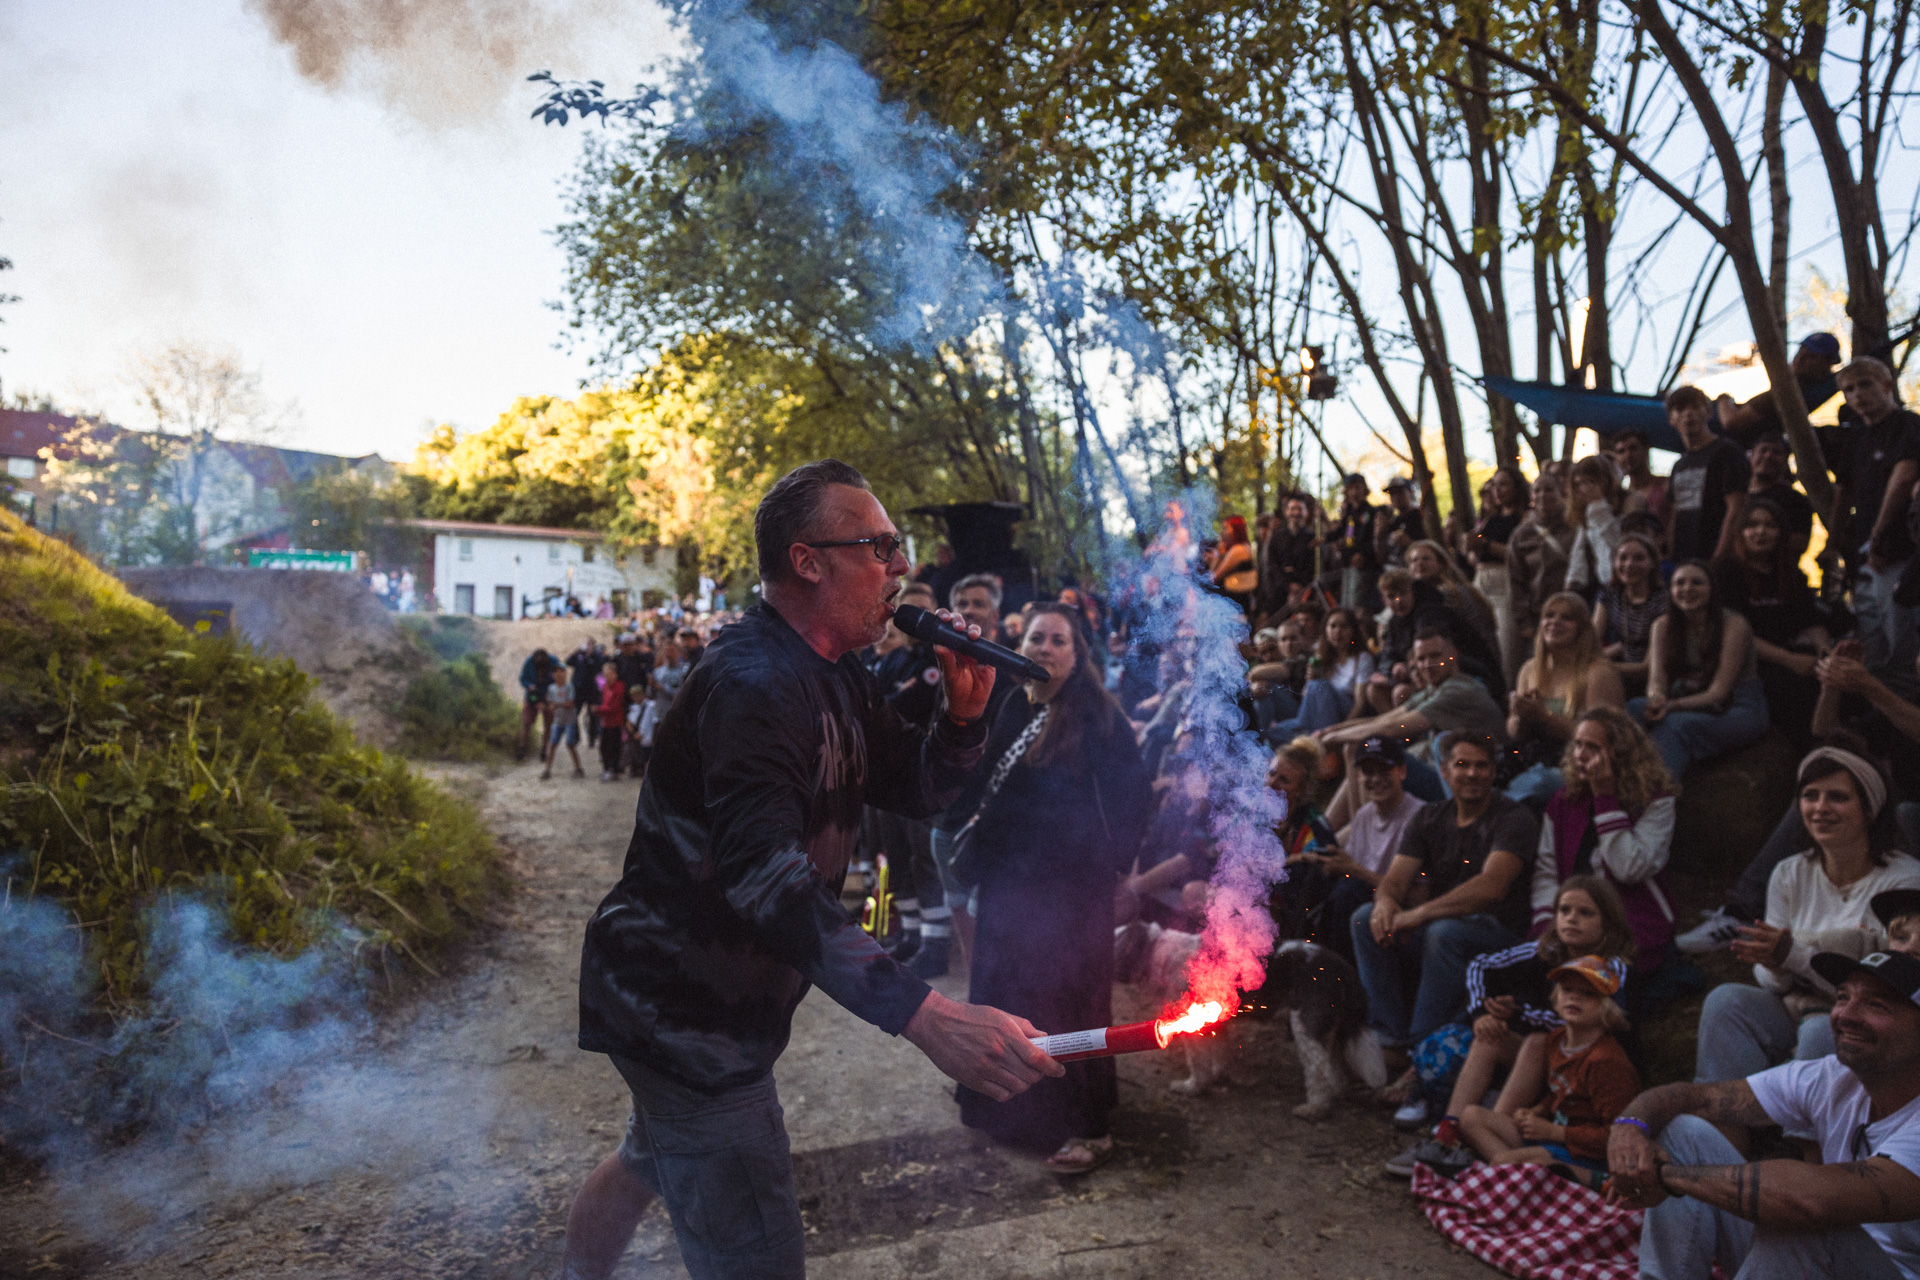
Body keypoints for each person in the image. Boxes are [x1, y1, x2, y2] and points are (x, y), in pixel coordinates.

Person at [564, 460, 1059, 1280]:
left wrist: (963, 717)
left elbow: (920, 791)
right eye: (881, 547)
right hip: (682, 1012)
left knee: (651, 1158)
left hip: (699, 1002)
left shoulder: (838, 673)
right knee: (757, 1252)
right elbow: (768, 880)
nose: (902, 569)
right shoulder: (754, 683)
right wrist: (926, 1015)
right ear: (808, 561)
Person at [952, 603, 1150, 1173]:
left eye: (1057, 640)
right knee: (1005, 995)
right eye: (1036, 637)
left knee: (1070, 1006)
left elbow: (1133, 798)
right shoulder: (1013, 704)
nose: (1043, 648)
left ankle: (1089, 1126)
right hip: (1009, 888)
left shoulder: (1098, 716)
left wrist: (1111, 868)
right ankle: (1010, 1110)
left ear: (1076, 654)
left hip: (1070, 896)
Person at [1607, 948, 1920, 1279]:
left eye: (1876, 1005)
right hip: (1804, 1264)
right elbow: (1695, 1098)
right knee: (1685, 1133)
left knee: (1799, 1224)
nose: (1846, 1014)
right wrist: (1628, 1126)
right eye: (1842, 997)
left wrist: (1666, 1176)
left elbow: (1809, 1202)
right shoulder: (1831, 1077)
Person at [1694, 748, 1920, 1090]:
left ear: (1870, 809)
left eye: (1838, 797)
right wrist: (1776, 965)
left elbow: (1894, 985)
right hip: (1796, 1004)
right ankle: (1727, 1124)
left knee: (1820, 1029)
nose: (1820, 808)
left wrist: (1794, 954)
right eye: (1810, 796)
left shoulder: (1903, 881)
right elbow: (1771, 979)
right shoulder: (1789, 872)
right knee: (1726, 1001)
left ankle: (1806, 1138)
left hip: (1870, 1020)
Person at [1387, 879, 1635, 1170]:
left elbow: (1587, 1021)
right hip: (1550, 1060)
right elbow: (1480, 965)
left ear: (1608, 922)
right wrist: (1483, 1012)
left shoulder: (1612, 967)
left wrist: (1517, 1012)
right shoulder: (1547, 950)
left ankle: (1483, 1143)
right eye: (1564, 910)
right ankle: (1449, 1136)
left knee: (1536, 1040)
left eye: (1585, 913)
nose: (1572, 919)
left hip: (1586, 1067)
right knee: (1491, 1035)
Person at [1350, 732, 1541, 1055]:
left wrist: (1418, 914)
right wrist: (1385, 903)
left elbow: (1492, 885)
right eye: (1462, 764)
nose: (1472, 773)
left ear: (1494, 772)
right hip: (1443, 928)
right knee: (1364, 918)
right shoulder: (1430, 817)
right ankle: (1388, 1039)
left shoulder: (1513, 818)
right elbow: (1396, 879)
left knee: (1444, 933)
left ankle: (1422, 1053)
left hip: (1501, 936)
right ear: (1444, 771)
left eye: (1482, 766)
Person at [1455, 956, 1640, 1184]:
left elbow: (1618, 1135)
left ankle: (1513, 1174)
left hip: (1588, 1156)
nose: (1574, 997)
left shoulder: (1606, 1061)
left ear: (1608, 1008)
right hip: (1554, 1139)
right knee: (1472, 1116)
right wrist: (1537, 1111)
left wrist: (1553, 1132)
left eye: (1589, 994)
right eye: (1567, 990)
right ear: (1555, 999)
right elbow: (1560, 1091)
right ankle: (1519, 1175)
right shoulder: (1557, 1040)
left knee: (1504, 1162)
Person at [1531, 708, 1680, 986]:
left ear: (1618, 752)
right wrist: (1546, 923)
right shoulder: (1563, 800)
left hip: (1631, 922)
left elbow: (1629, 868)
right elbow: (1547, 870)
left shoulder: (1655, 800)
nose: (1580, 755)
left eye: (1592, 747)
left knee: (1594, 982)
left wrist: (1605, 797)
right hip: (1571, 920)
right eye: (1577, 744)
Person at [925, 572, 1018, 980]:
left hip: (991, 818)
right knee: (957, 900)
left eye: (978, 603)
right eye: (962, 603)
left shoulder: (1010, 674)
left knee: (990, 908)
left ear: (995, 615)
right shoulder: (946, 667)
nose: (968, 610)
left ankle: (998, 982)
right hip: (948, 816)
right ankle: (976, 981)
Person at [1322, 628, 1505, 821]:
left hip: (1472, 783)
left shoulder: (1459, 690)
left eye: (1435, 656)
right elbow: (1385, 719)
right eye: (1421, 659)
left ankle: (1363, 836)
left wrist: (1332, 738)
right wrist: (1329, 731)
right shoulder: (1436, 688)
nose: (1428, 665)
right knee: (1356, 747)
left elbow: (1396, 728)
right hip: (1445, 774)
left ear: (1453, 654)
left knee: (1367, 749)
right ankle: (1330, 833)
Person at [1629, 560, 1767, 778]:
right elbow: (1657, 678)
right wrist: (1656, 699)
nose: (1687, 589)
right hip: (1684, 696)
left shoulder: (1733, 625)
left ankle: (1658, 794)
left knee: (1675, 726)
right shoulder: (1662, 626)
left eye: (1697, 583)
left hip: (1735, 706)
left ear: (1712, 589)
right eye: (1679, 583)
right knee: (1633, 709)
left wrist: (1672, 706)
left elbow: (1718, 692)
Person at [1829, 357, 1920, 690]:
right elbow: (1843, 491)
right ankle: (1878, 717)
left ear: (1886, 385)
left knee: (1903, 641)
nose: (1857, 395)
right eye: (1848, 390)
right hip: (1862, 554)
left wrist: (1880, 536)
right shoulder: (1855, 438)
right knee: (1872, 639)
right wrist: (1831, 544)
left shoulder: (1907, 425)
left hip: (1899, 551)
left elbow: (1904, 474)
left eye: (1865, 384)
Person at [1713, 497, 1834, 739]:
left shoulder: (1793, 575)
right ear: (1741, 532)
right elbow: (1735, 635)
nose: (1761, 532)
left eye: (1770, 525)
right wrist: (1791, 660)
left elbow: (1810, 621)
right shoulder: (1725, 573)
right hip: (1748, 659)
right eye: (1752, 525)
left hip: (1794, 651)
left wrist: (1826, 654)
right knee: (1792, 689)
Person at [1310, 736, 1426, 966]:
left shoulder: (1420, 817)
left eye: (1384, 770)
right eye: (1368, 771)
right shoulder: (1365, 815)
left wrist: (1353, 870)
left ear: (1402, 772)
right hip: (1362, 903)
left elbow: (1416, 896)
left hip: (1399, 912)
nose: (1376, 779)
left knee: (1349, 893)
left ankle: (1339, 974)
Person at [1504, 593, 1626, 804]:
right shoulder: (1529, 669)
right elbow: (1515, 734)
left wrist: (1544, 717)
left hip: (1577, 766)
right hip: (1531, 756)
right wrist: (1518, 715)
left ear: (1582, 628)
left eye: (1567, 617)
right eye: (1549, 616)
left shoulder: (1598, 673)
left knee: (1538, 782)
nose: (1555, 622)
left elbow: (1600, 742)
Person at [1666, 384, 1751, 564]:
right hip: (1684, 560)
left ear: (1708, 412)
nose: (1688, 413)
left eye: (1695, 407)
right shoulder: (1679, 465)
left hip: (1717, 560)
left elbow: (1736, 506)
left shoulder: (1727, 451)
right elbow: (1675, 512)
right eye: (1680, 409)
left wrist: (1720, 555)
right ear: (1671, 419)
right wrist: (1671, 553)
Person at [1715, 331, 1844, 448]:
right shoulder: (1812, 387)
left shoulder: (1786, 392)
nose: (1800, 357)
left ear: (1828, 362)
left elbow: (1731, 422)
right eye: (1801, 350)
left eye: (1811, 355)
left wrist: (1723, 398)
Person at [1463, 466, 1531, 683]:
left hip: (1505, 585)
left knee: (1507, 649)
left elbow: (1519, 553)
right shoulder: (1491, 519)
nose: (1497, 490)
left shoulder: (1525, 517)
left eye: (1503, 484)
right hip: (1482, 581)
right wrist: (1471, 548)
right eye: (1494, 485)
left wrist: (1486, 544)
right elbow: (1475, 556)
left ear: (1517, 487)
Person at [1269, 606, 1376, 737]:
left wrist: (1340, 730)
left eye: (1343, 626)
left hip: (1346, 715)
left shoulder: (1362, 658)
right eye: (1333, 626)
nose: (1337, 631)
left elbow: (1360, 704)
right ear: (1325, 630)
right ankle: (1304, 733)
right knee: (1272, 733)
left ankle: (1304, 733)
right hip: (1319, 716)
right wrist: (1310, 679)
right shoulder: (1323, 656)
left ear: (1352, 630)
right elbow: (1307, 698)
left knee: (1320, 685)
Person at [1508, 470, 1573, 650]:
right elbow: (1516, 581)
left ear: (1561, 492)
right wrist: (1524, 623)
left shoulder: (1574, 527)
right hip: (1540, 617)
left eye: (1549, 489)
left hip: (1574, 613)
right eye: (1537, 491)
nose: (1543, 495)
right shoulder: (1521, 535)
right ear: (1531, 496)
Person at [1592, 532, 1666, 691]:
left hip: (1653, 678)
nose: (1629, 564)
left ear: (1652, 563)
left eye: (1639, 558)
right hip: (1618, 668)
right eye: (1623, 558)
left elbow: (1647, 667)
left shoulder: (1662, 601)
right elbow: (1591, 639)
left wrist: (1597, 666)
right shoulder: (1609, 592)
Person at [1744, 430, 1817, 560]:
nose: (1768, 456)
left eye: (1776, 452)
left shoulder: (1794, 500)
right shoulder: (1737, 496)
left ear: (1785, 462)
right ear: (1751, 456)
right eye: (1763, 450)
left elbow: (1801, 542)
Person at [1562, 455, 1624, 602]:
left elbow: (1616, 542)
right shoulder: (1585, 512)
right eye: (1580, 484)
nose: (1584, 488)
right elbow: (1579, 549)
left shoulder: (1622, 505)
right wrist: (1572, 580)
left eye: (1590, 482)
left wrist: (1598, 506)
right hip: (1600, 584)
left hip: (1620, 580)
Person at [1260, 492, 1321, 620]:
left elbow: (1313, 565)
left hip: (1305, 591)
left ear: (1306, 512)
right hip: (1279, 593)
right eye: (1293, 509)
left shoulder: (1312, 537)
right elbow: (1272, 564)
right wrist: (1288, 585)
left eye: (1300, 509)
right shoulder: (1277, 537)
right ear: (1287, 512)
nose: (1296, 513)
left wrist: (1300, 586)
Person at [1611, 428, 1670, 537]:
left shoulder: (1666, 485)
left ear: (1646, 450)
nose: (1628, 455)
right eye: (1621, 451)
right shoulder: (1620, 497)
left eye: (1633, 448)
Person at [1208, 514, 1258, 613]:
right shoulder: (1238, 548)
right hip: (1234, 601)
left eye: (1226, 528)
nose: (1222, 532)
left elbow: (1214, 577)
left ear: (1236, 530)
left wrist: (1218, 555)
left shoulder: (1238, 550)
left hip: (1235, 603)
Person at [543, 668, 585, 780]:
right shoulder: (551, 688)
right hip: (558, 720)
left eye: (561, 672)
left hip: (570, 720)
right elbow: (550, 703)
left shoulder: (569, 686)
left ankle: (579, 768)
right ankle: (547, 770)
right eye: (556, 672)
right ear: (553, 675)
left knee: (570, 744)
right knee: (552, 744)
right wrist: (553, 705)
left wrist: (555, 705)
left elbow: (570, 704)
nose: (559, 675)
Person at [1374, 476, 1425, 568]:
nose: (1396, 497)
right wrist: (1379, 536)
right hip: (1391, 571)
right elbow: (1381, 558)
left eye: (1400, 492)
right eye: (1392, 494)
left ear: (1411, 492)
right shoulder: (1393, 522)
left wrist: (1410, 543)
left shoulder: (1421, 516)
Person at [517, 647, 558, 761]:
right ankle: (521, 750)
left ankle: (544, 750)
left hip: (548, 696)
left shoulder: (554, 662)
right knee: (526, 723)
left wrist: (549, 694)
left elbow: (559, 679)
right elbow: (522, 678)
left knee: (548, 724)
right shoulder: (529, 662)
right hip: (532, 695)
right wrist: (529, 685)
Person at [595, 661, 627, 782]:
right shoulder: (604, 688)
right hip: (606, 722)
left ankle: (613, 769)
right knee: (604, 746)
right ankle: (607, 768)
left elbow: (614, 707)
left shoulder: (619, 687)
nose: (607, 677)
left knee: (614, 747)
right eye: (605, 675)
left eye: (609, 674)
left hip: (615, 722)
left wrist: (598, 710)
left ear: (615, 674)